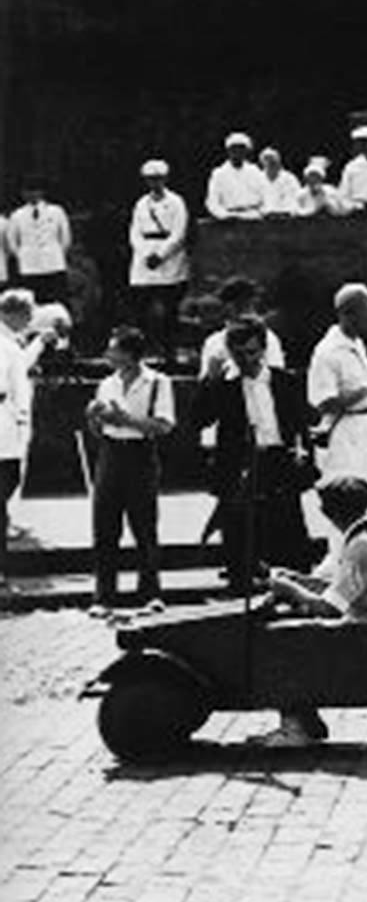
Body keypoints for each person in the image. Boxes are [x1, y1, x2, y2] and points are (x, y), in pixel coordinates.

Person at [252, 475, 367, 748]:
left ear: (331, 513)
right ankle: (306, 722)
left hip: (361, 632)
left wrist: (288, 589)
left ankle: (296, 729)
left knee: (279, 639)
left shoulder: (360, 548)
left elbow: (330, 608)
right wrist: (300, 579)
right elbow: (342, 587)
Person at [191, 316, 314, 593]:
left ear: (263, 349)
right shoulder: (225, 387)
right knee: (241, 537)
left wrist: (304, 458)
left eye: (252, 352)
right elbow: (198, 420)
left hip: (279, 460)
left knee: (289, 534)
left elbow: (301, 423)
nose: (246, 360)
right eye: (239, 354)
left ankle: (293, 591)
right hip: (242, 464)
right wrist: (209, 382)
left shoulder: (285, 381)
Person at [85, 325, 174, 608]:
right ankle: (104, 596)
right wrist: (95, 419)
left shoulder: (158, 382)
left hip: (140, 455)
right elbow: (99, 430)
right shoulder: (107, 383)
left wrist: (126, 421)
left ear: (130, 354)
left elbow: (163, 425)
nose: (108, 354)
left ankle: (150, 594)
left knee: (144, 526)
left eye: (114, 349)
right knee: (105, 527)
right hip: (110, 455)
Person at [307, 283, 367, 526]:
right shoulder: (327, 352)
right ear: (348, 313)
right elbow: (325, 403)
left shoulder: (357, 344)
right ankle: (344, 559)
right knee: (347, 503)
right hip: (344, 436)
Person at [127, 159, 190, 364]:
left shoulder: (176, 202)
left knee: (169, 309)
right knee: (141, 309)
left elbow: (179, 232)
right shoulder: (141, 204)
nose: (155, 183)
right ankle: (142, 351)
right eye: (150, 179)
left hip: (169, 257)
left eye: (158, 179)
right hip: (145, 256)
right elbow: (135, 232)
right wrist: (146, 254)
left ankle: (169, 351)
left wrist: (161, 255)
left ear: (165, 179)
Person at [0, 294, 33, 601]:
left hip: (4, 433)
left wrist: (20, 424)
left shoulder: (9, 349)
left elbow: (20, 391)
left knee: (3, 494)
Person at [6, 180, 72, 305]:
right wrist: (21, 255)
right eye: (28, 191)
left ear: (42, 192)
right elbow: (12, 241)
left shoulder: (56, 211)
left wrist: (57, 253)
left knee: (57, 300)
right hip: (29, 265)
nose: (31, 194)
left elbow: (65, 237)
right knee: (33, 301)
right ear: (23, 194)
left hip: (54, 263)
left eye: (35, 190)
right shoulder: (17, 215)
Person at [205, 132, 268, 220]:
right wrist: (224, 215)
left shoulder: (255, 172)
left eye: (241, 149)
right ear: (228, 151)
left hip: (253, 218)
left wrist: (261, 213)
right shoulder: (219, 174)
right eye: (234, 149)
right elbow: (212, 202)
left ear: (246, 152)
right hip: (228, 220)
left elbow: (266, 197)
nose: (237, 152)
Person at [257, 147, 301, 217]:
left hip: (286, 218)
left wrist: (287, 212)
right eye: (266, 159)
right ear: (262, 162)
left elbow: (296, 199)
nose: (270, 161)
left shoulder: (290, 179)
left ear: (278, 161)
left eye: (272, 159)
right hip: (263, 219)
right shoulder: (257, 179)